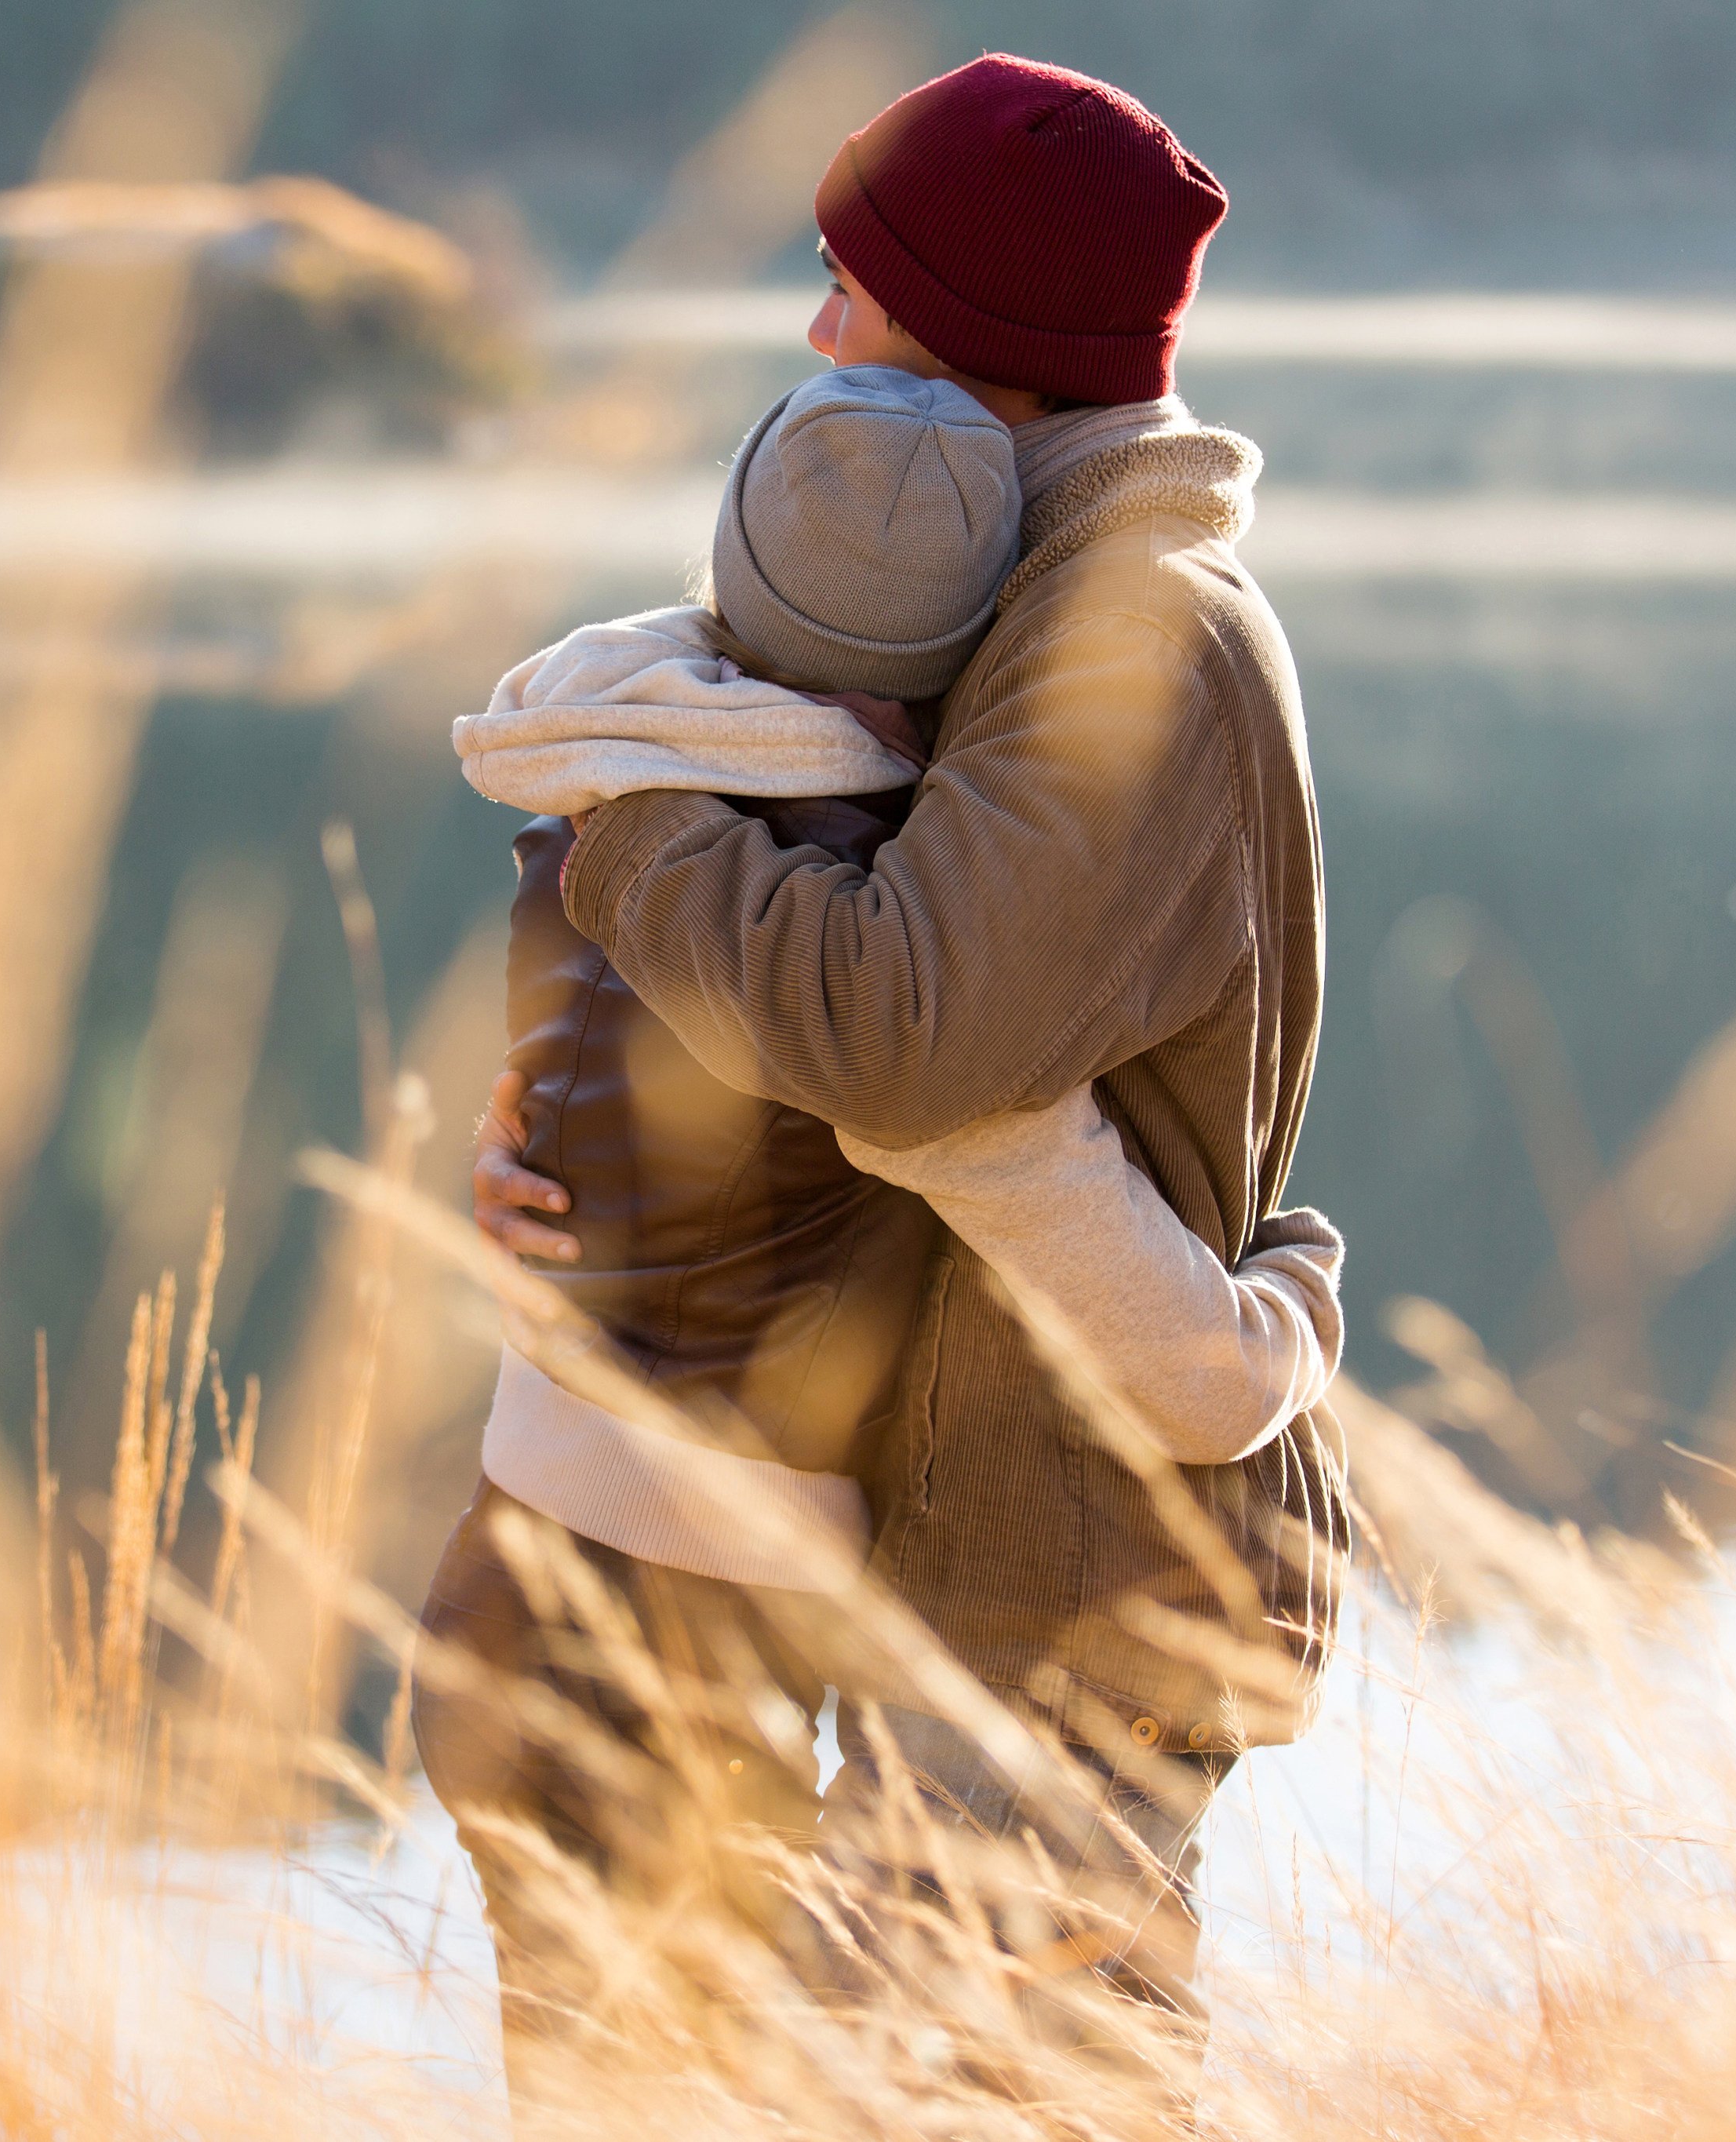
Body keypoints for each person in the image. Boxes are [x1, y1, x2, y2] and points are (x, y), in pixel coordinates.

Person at [445, 51, 1348, 2062]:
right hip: (998, 1516)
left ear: (984, 350)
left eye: (850, 285)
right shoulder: (1025, 602)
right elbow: (883, 1039)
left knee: (1008, 2089)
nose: (813, 327)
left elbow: (904, 1044)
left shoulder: (1131, 636)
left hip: (1083, 1561)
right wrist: (568, 1148)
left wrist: (629, 827)